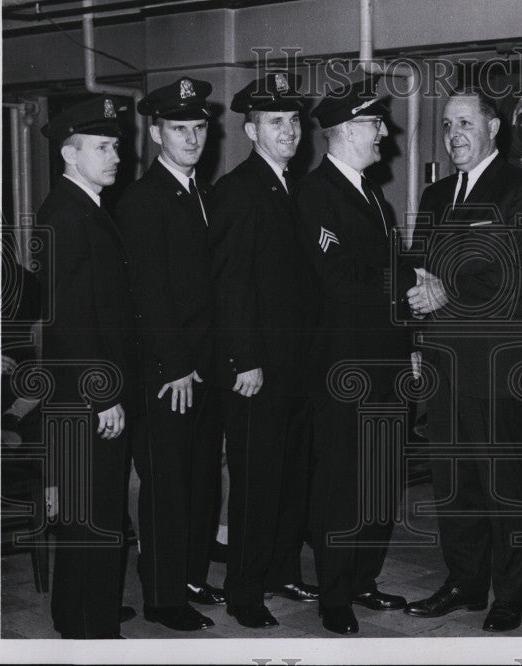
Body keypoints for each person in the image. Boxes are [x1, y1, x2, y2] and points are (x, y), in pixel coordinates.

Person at [402, 88, 522, 633]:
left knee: (506, 485)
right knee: (455, 482)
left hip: (498, 369)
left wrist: (448, 295)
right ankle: (465, 583)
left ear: (493, 128)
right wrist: (419, 327)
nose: (454, 134)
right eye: (446, 125)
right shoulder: (438, 194)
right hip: (445, 367)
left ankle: (508, 595)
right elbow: (421, 270)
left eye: (465, 122)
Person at [293, 74, 410, 635]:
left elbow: (388, 272)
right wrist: (405, 282)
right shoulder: (316, 195)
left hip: (385, 364)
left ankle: (363, 578)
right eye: (373, 125)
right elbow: (339, 279)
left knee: (380, 482)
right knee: (341, 483)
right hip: (344, 369)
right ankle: (334, 594)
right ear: (342, 132)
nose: (384, 135)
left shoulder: (374, 196)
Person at [115, 77, 223, 632]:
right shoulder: (143, 198)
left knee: (201, 479)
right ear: (157, 134)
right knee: (167, 486)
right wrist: (176, 365)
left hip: (203, 366)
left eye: (198, 128)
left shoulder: (200, 191)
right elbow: (150, 294)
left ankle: (189, 577)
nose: (191, 138)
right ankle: (162, 597)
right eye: (179, 129)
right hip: (168, 373)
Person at [209, 72, 317, 628]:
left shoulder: (290, 187)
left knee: (290, 476)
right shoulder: (238, 191)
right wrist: (244, 359)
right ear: (252, 130)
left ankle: (281, 570)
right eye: (276, 122)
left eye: (294, 121)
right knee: (255, 483)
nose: (290, 131)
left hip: (294, 369)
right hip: (257, 372)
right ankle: (244, 590)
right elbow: (230, 286)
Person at [36, 96, 139, 638]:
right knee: (94, 516)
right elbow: (73, 321)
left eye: (117, 146)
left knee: (87, 513)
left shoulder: (87, 208)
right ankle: (93, 629)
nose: (116, 155)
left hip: (91, 391)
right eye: (103, 147)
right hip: (87, 396)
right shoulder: (67, 214)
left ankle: (76, 614)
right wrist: (103, 395)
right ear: (69, 155)